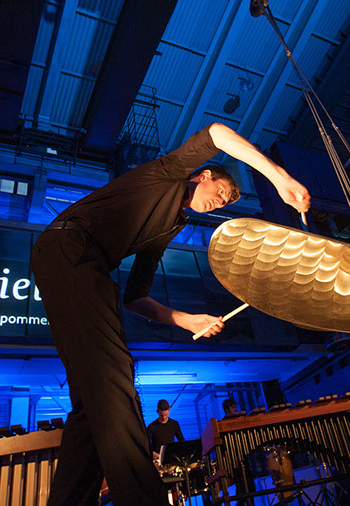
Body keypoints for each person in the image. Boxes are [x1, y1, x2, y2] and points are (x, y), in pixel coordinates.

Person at [30, 122, 310, 506]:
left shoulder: (171, 224)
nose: (219, 202)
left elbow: (136, 297)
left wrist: (188, 320)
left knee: (90, 403)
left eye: (225, 204)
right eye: (220, 193)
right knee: (115, 375)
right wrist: (279, 178)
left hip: (78, 262)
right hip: (71, 246)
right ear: (203, 175)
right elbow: (217, 133)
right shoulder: (168, 174)